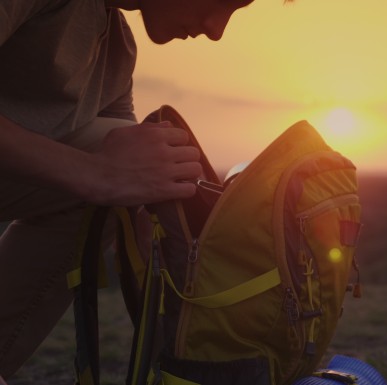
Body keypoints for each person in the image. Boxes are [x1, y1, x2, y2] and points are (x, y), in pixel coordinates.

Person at [0, 0, 265, 378]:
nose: (216, 28)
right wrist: (95, 173)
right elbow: (105, 172)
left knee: (141, 160)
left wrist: (169, 233)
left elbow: (134, 177)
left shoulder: (116, 49)